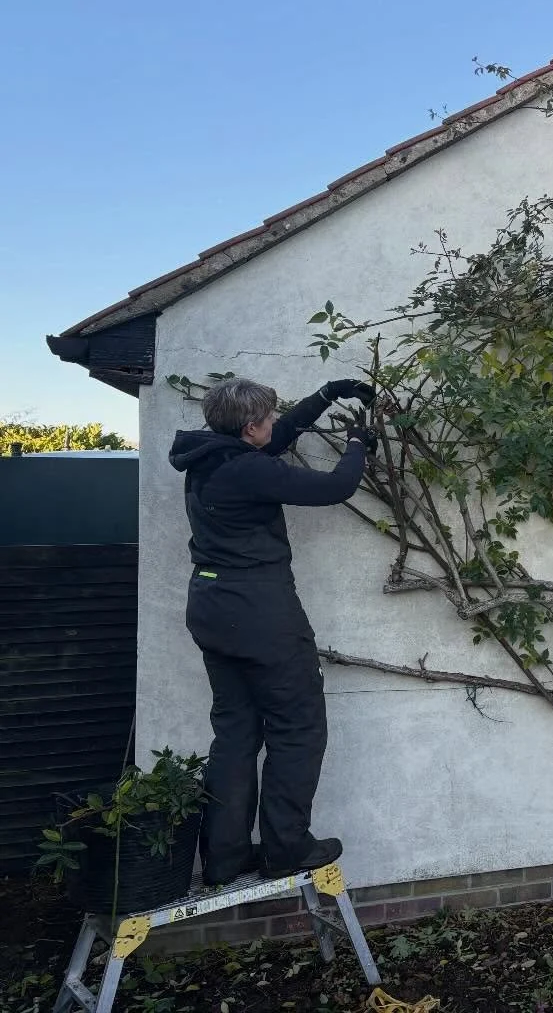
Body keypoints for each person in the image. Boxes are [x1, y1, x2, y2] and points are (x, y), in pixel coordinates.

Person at [168, 376, 377, 884]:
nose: (273, 422)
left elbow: (276, 438)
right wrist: (357, 445)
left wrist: (325, 395)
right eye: (267, 417)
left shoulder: (210, 457)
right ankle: (286, 847)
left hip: (213, 605)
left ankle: (224, 856)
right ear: (248, 427)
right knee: (297, 727)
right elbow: (334, 488)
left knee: (235, 732)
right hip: (259, 610)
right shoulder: (246, 470)